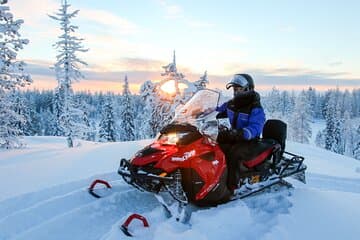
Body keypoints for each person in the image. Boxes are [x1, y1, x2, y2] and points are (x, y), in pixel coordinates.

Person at [216, 73, 266, 190]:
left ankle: (232, 186)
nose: (236, 92)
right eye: (235, 89)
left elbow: (256, 126)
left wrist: (243, 132)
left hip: (249, 141)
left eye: (239, 89)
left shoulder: (255, 107)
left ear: (248, 89)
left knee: (234, 154)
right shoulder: (232, 103)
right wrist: (200, 111)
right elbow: (216, 110)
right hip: (233, 136)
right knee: (214, 148)